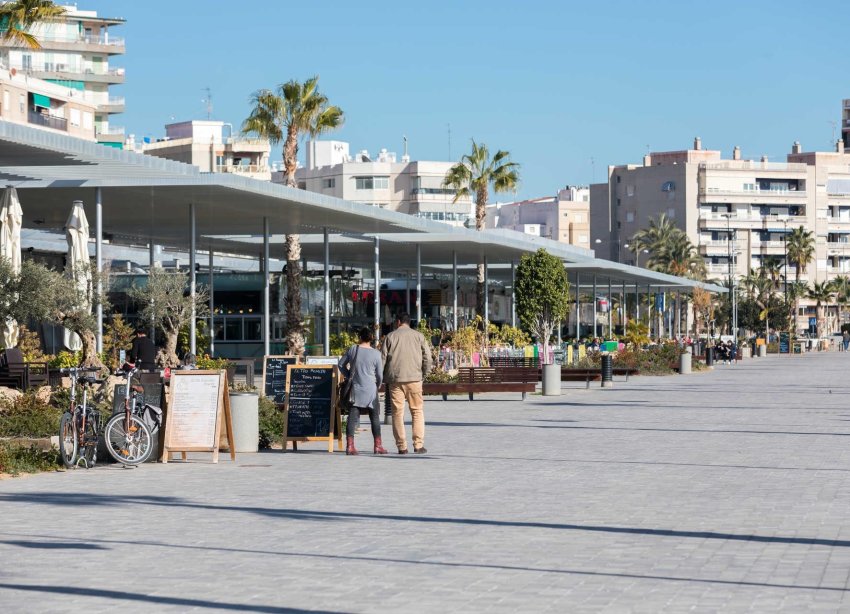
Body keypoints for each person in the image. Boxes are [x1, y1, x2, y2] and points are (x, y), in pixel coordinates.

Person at [381, 312, 433, 454]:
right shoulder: (419, 336)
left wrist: (381, 377)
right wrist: (424, 374)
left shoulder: (390, 337)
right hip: (415, 379)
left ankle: (402, 447)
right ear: (408, 322)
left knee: (397, 413)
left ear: (398, 322)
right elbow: (428, 358)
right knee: (417, 411)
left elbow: (382, 360)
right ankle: (418, 445)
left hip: (395, 380)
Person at [338, 327, 386, 456]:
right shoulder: (376, 354)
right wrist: (377, 385)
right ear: (371, 339)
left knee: (352, 417)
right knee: (374, 417)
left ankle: (350, 446)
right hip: (371, 390)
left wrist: (349, 376)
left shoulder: (353, 349)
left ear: (360, 337)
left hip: (356, 389)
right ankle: (378, 446)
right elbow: (380, 375)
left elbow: (341, 364)